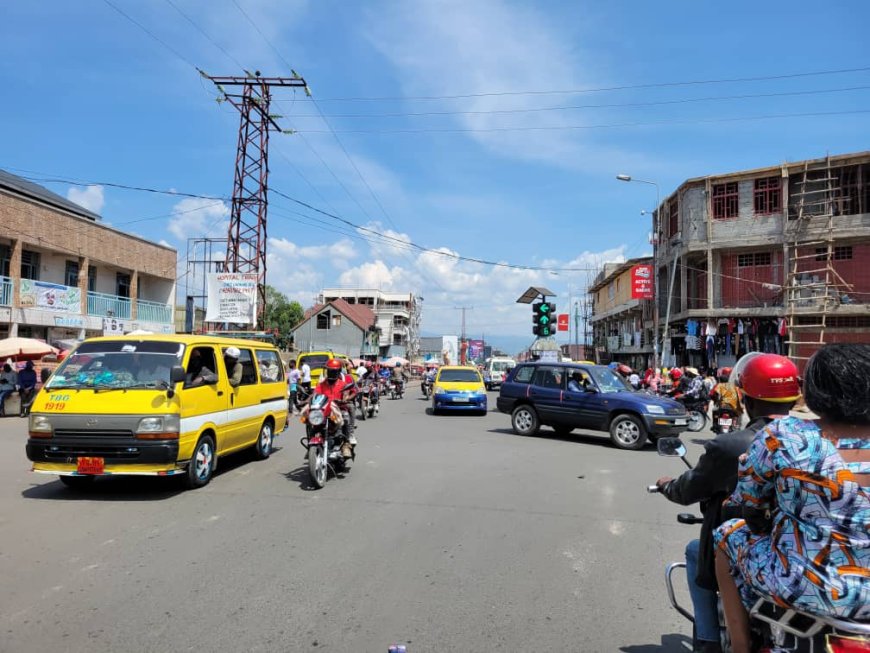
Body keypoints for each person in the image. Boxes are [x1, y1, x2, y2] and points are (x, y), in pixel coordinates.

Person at [714, 345, 870, 653]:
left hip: (804, 586)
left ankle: (740, 646)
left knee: (725, 535)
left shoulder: (786, 435)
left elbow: (749, 499)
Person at [656, 353, 801, 653]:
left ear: (746, 401)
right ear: (796, 399)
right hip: (804, 552)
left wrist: (667, 486)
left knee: (701, 548)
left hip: (764, 552)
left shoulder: (733, 446)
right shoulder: (817, 441)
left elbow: (690, 489)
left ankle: (708, 641)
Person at [311, 358, 355, 458]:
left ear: (338, 371)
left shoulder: (342, 384)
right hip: (324, 410)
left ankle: (346, 445)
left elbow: (348, 393)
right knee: (311, 419)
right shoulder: (321, 384)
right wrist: (305, 401)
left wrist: (345, 399)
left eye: (333, 371)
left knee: (346, 416)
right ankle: (312, 443)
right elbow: (315, 394)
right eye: (329, 370)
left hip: (338, 410)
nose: (330, 373)